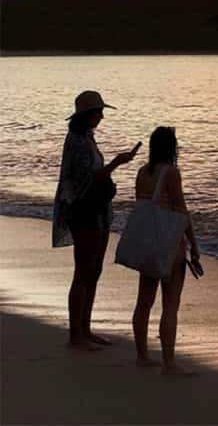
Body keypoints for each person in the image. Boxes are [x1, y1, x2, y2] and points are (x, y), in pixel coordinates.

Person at [53, 90, 138, 350]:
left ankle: (85, 329)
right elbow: (84, 179)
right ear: (87, 115)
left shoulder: (87, 138)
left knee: (95, 270)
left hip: (97, 209)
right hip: (82, 210)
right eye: (98, 112)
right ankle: (75, 335)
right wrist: (116, 163)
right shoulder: (77, 141)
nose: (101, 116)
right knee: (83, 270)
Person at [131, 126, 201, 375]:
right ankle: (169, 364)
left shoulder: (141, 172)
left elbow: (142, 207)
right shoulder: (171, 172)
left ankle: (142, 356)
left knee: (144, 302)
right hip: (170, 245)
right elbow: (181, 210)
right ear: (172, 148)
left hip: (147, 243)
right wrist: (194, 246)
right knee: (170, 304)